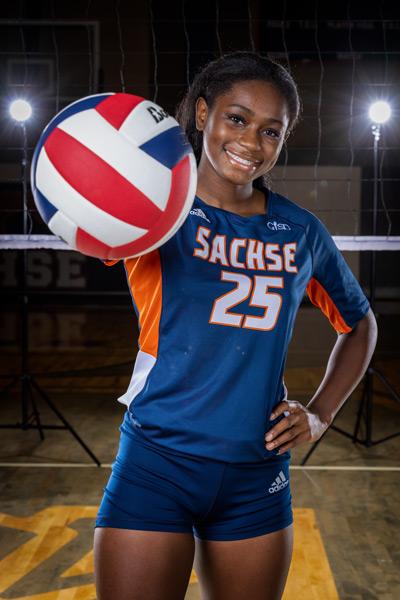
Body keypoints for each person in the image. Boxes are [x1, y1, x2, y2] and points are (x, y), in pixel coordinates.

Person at [93, 51, 377, 600]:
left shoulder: (299, 232)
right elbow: (86, 208)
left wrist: (320, 413)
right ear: (202, 114)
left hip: (255, 472)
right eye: (237, 118)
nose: (251, 142)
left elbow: (359, 322)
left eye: (272, 131)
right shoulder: (154, 211)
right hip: (157, 460)